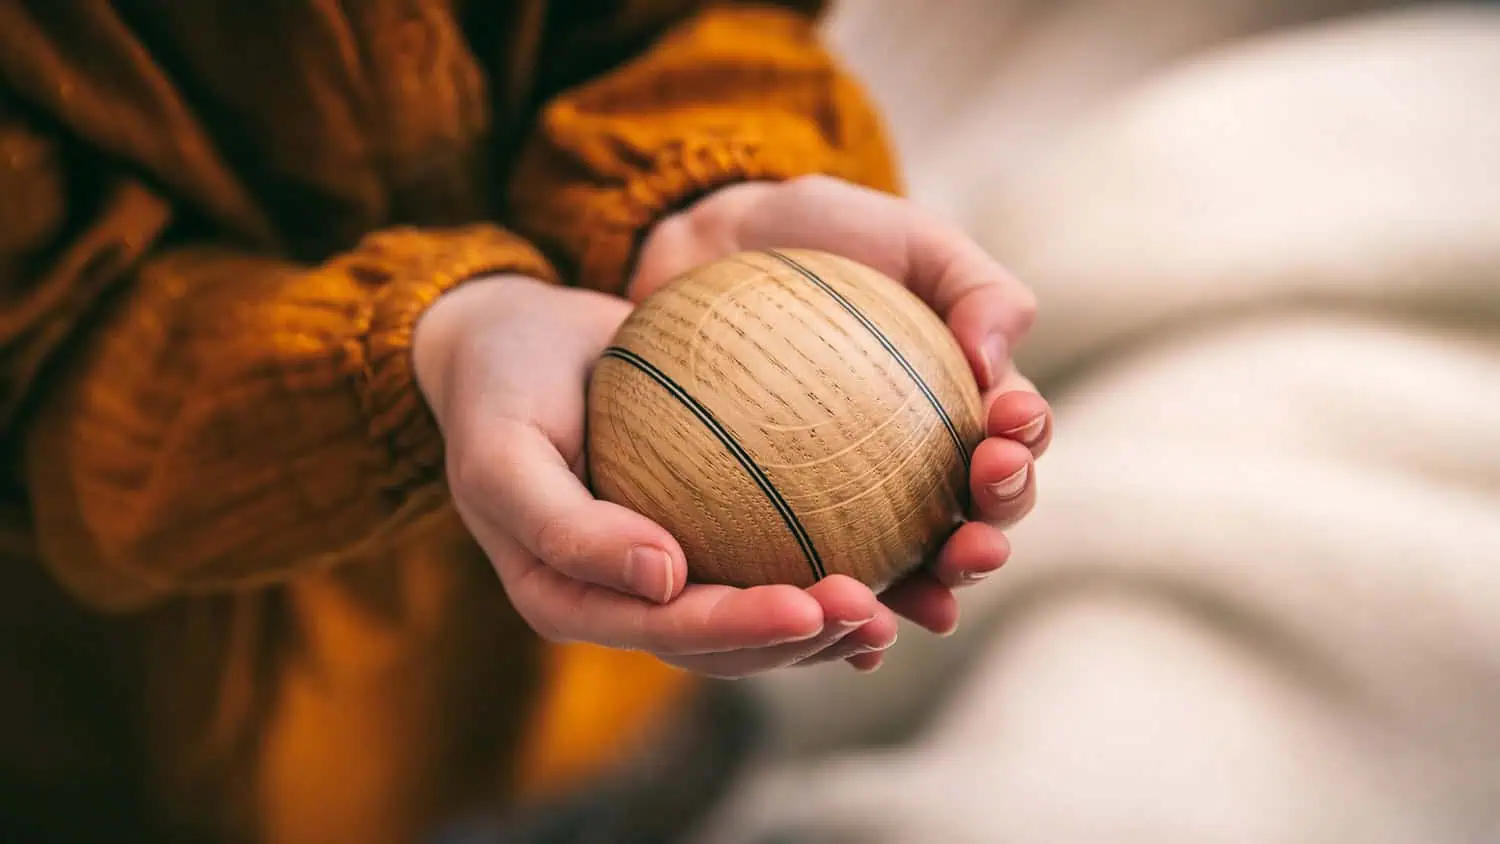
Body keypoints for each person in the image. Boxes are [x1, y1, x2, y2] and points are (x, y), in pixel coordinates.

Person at [0, 2, 1051, 843]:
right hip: (193, 764)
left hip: (615, 700)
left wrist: (702, 180)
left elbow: (685, 19)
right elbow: (43, 350)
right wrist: (432, 345)